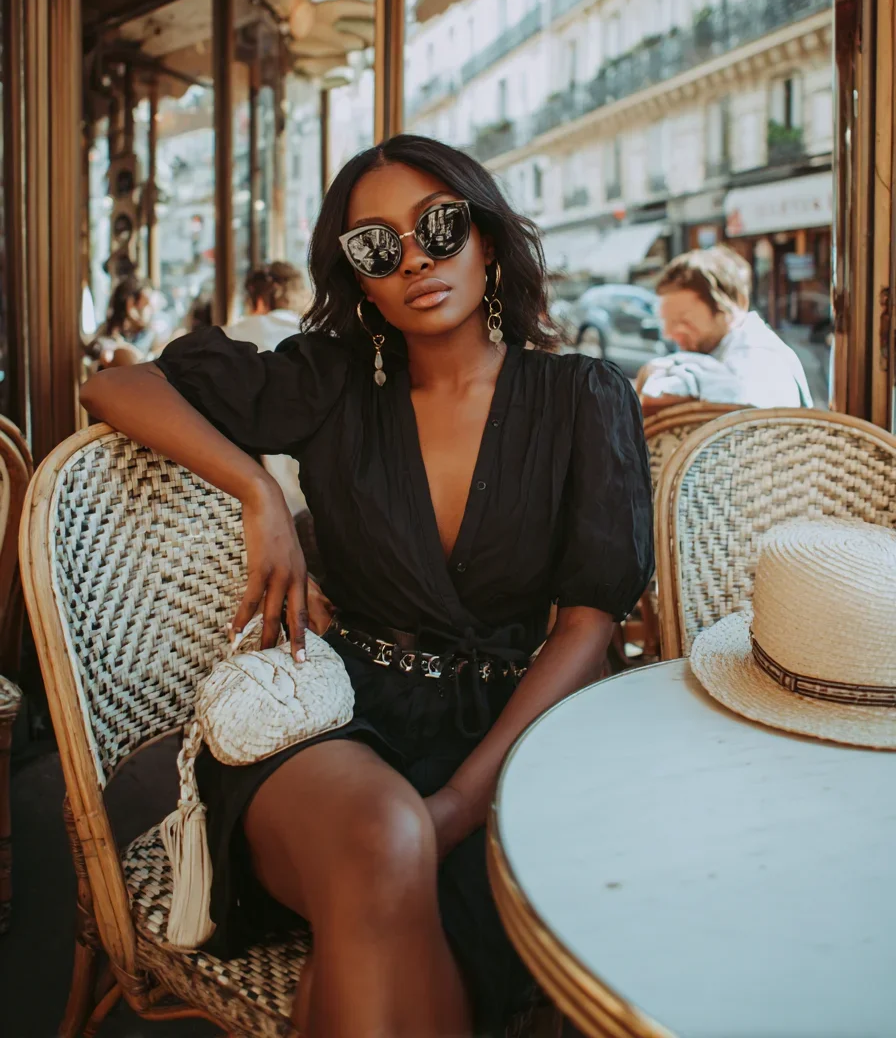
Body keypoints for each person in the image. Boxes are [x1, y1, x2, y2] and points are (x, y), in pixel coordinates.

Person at [80, 134, 653, 1038]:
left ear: (489, 238)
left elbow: (589, 624)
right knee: (389, 837)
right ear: (361, 278)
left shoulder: (584, 396)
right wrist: (259, 488)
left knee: (378, 962)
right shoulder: (331, 382)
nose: (417, 256)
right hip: (334, 716)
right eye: (379, 247)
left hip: (514, 737)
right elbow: (117, 385)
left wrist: (463, 802)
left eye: (440, 225)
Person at [638, 246, 813, 413]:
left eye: (684, 320)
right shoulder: (717, 352)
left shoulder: (758, 352)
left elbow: (742, 396)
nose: (670, 333)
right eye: (667, 321)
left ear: (731, 309)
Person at [226, 263, 310, 525]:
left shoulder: (234, 336)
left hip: (256, 501)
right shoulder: (320, 334)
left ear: (259, 299)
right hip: (323, 493)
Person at [87, 274, 158, 369]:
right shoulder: (107, 331)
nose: (152, 310)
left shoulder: (149, 335)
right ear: (131, 305)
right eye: (146, 305)